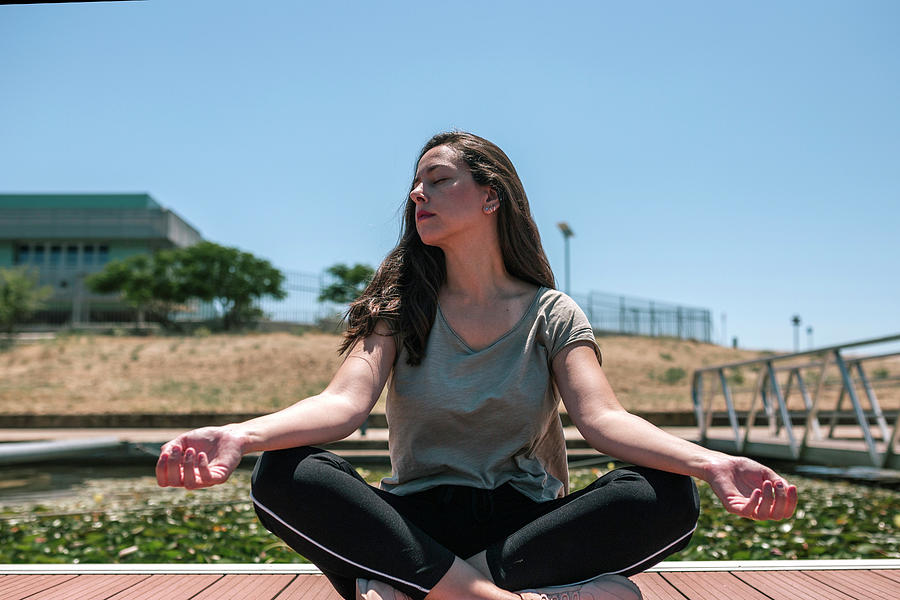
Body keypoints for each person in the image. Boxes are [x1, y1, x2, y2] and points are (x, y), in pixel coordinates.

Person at [156, 131, 798, 600]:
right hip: (415, 518)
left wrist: (712, 462)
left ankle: (423, 591)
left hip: (521, 524)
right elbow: (343, 406)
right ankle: (505, 598)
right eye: (416, 184)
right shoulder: (395, 306)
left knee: (665, 492)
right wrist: (240, 434)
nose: (417, 193)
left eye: (438, 180)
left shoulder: (552, 312)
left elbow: (602, 421)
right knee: (284, 472)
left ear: (490, 197)